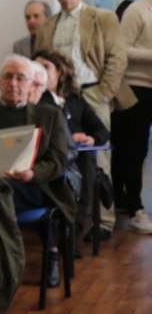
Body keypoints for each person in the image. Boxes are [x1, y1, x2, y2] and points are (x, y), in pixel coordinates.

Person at [36, 0, 133, 236]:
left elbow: (117, 58)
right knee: (64, 155)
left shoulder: (103, 18)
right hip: (59, 97)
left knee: (98, 156)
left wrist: (103, 94)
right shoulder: (47, 25)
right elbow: (41, 63)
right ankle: (75, 220)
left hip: (93, 93)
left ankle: (103, 223)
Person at [0, 56, 75, 287]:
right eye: (8, 76)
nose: (13, 83)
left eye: (20, 78)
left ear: (31, 83)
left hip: (30, 186)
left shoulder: (49, 116)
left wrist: (33, 173)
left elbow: (59, 161)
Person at [35, 49, 110, 238]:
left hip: (79, 157)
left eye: (45, 66)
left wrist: (91, 139)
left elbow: (101, 130)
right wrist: (69, 137)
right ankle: (65, 233)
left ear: (59, 71)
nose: (40, 71)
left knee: (87, 163)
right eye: (36, 67)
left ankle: (74, 229)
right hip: (51, 158)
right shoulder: (37, 100)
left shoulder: (75, 98)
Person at [113, 0, 152, 233]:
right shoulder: (138, 10)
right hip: (137, 88)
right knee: (136, 150)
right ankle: (135, 209)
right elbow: (123, 50)